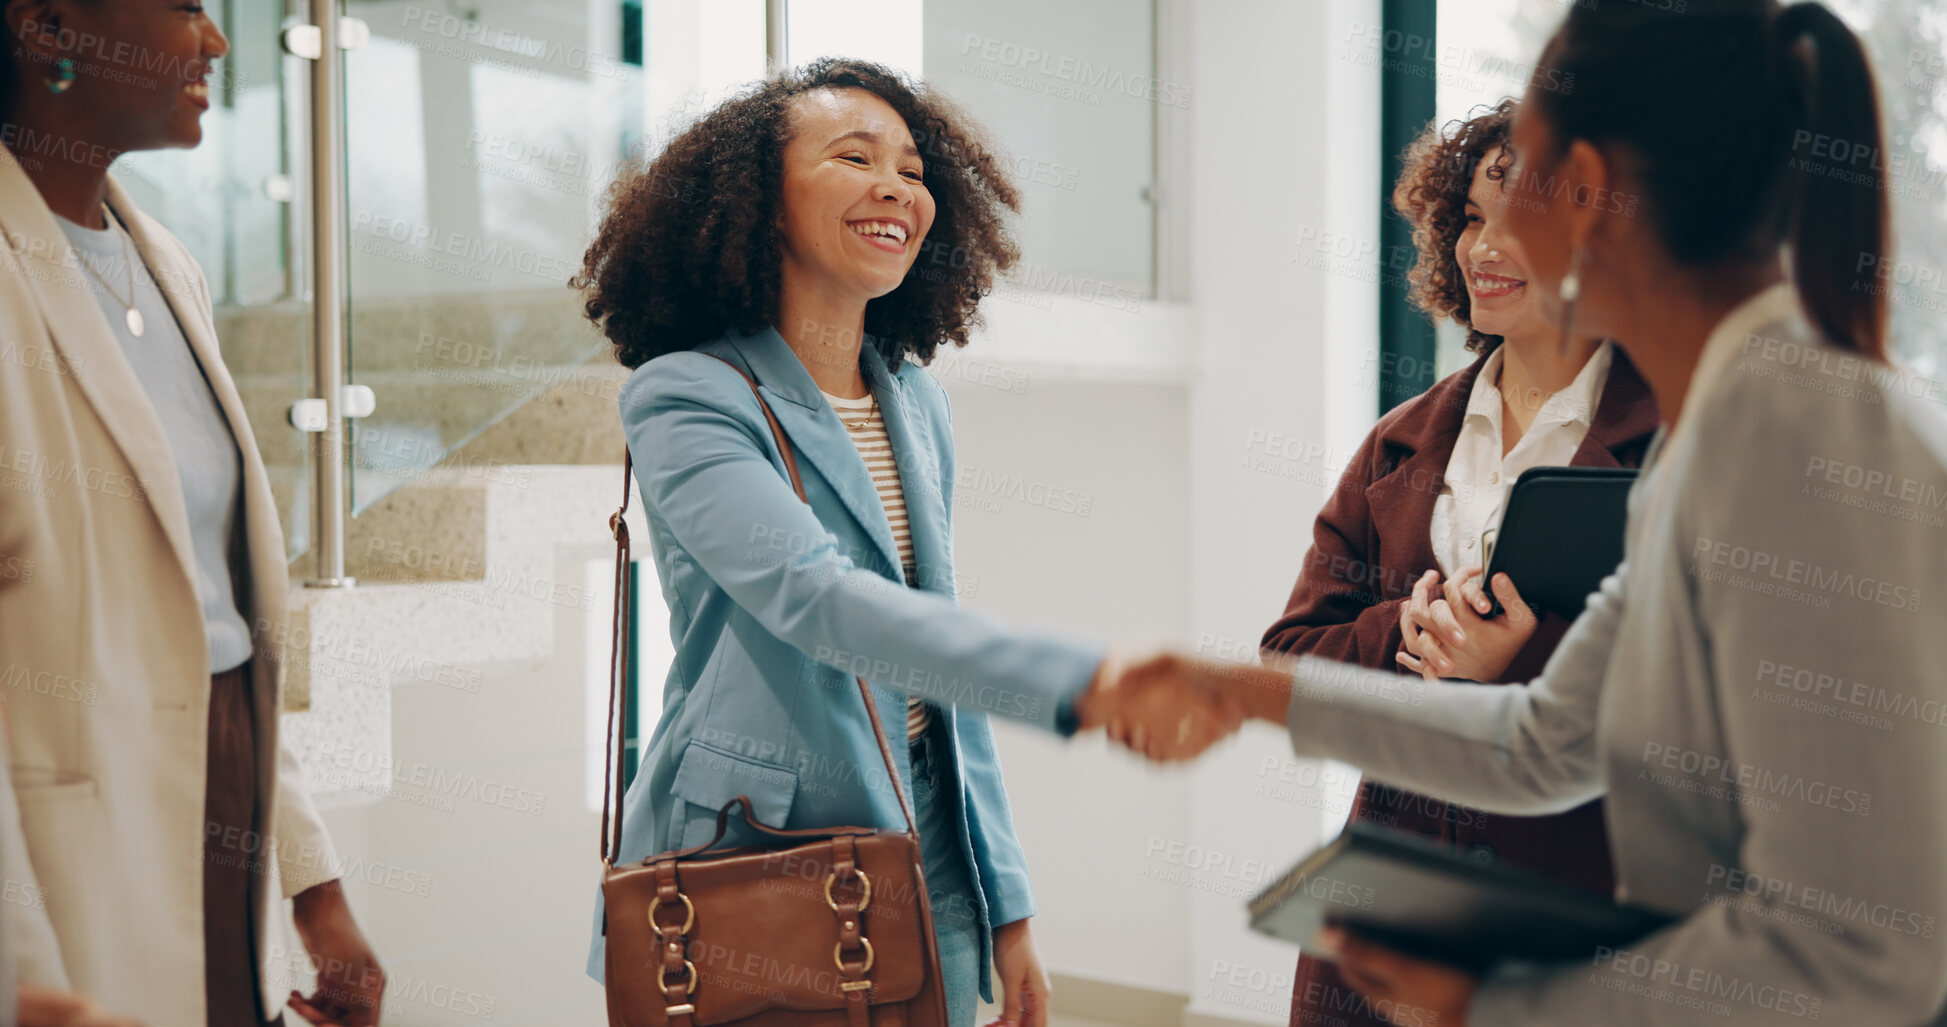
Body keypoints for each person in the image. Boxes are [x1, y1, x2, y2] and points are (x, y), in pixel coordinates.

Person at [1187, 1, 1947, 1023]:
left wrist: (1506, 998)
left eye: (1517, 182)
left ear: (1583, 193)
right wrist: (1237, 690)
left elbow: (1864, 951)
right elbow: (1541, 745)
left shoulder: (1801, 430)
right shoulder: (1713, 431)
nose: (1485, 238)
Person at [573, 58, 1239, 1027]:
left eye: (915, 169)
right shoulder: (686, 395)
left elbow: (936, 641)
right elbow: (820, 600)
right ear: (760, 202)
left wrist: (1008, 903)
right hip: (761, 852)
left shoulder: (912, 396)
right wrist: (1073, 677)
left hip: (932, 832)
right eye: (854, 156)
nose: (897, 186)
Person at [0, 3, 383, 1024]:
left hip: (223, 805)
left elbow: (218, 610)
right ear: (45, 30)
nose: (215, 42)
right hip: (64, 861)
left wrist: (317, 884)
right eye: (181, 8)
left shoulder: (168, 263)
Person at [1265, 97, 1657, 1027]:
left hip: (1582, 896)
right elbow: (1289, 658)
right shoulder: (1398, 444)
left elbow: (1714, 706)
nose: (1483, 247)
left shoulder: (1679, 443)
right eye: (1471, 219)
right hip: (1392, 890)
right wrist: (1405, 634)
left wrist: (1515, 667)